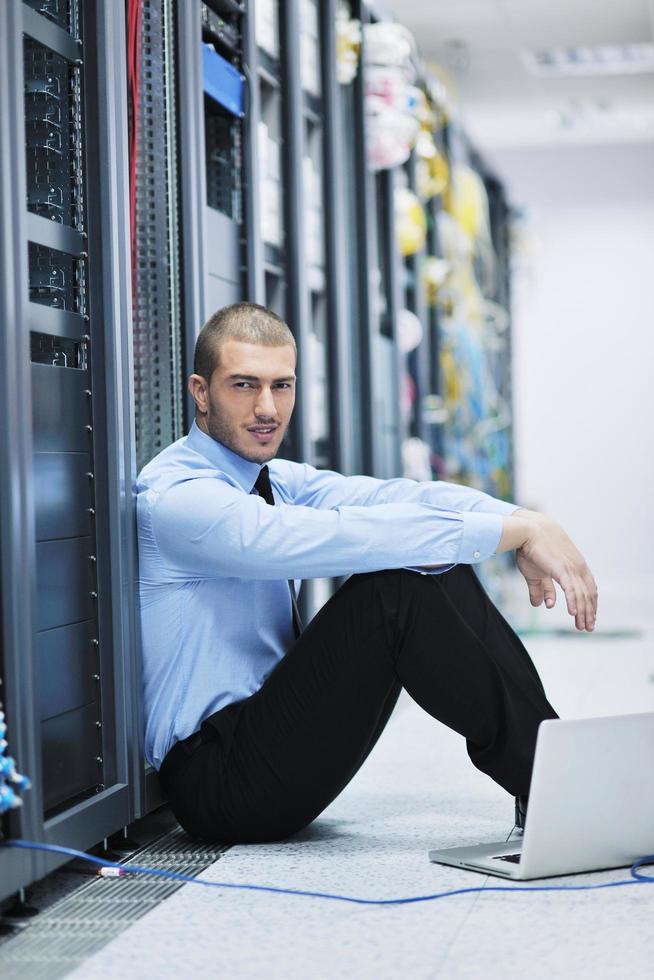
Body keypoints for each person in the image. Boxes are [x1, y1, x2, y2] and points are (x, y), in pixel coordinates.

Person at [136, 302, 598, 845]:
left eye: (281, 386)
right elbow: (339, 539)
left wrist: (523, 520)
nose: (267, 408)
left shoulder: (275, 479)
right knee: (394, 593)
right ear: (200, 391)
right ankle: (565, 792)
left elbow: (398, 495)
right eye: (244, 385)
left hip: (272, 739)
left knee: (435, 564)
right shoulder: (178, 500)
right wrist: (508, 538)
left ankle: (559, 775)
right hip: (217, 782)